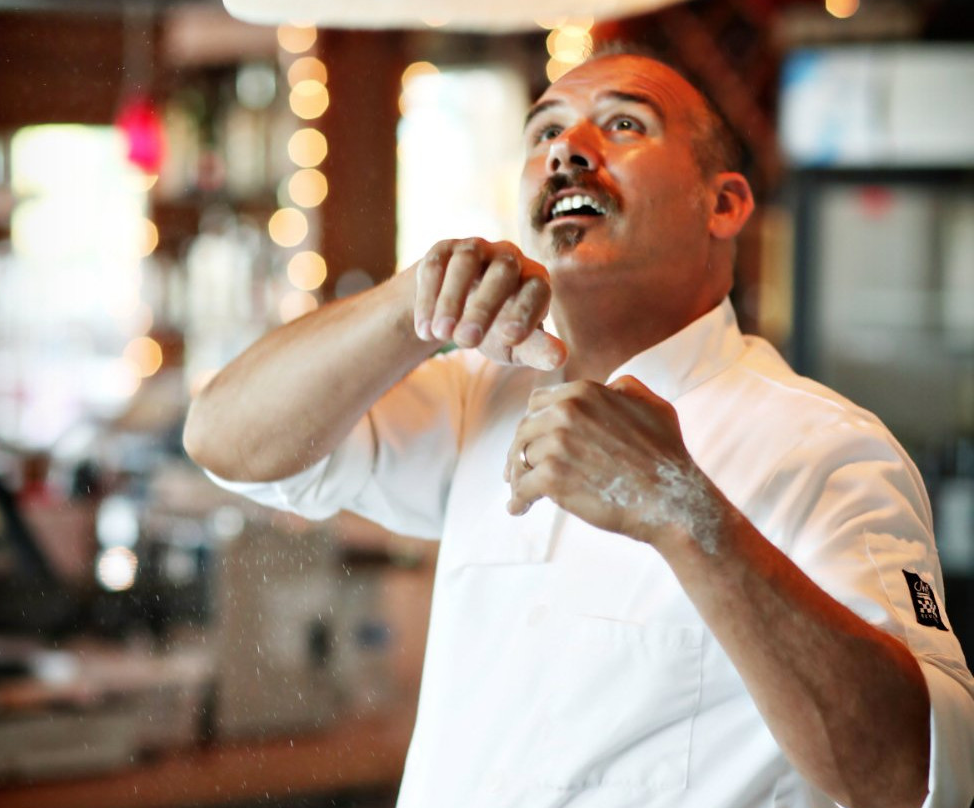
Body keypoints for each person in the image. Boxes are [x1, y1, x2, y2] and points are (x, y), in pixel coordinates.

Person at [183, 52, 974, 808]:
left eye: (625, 124)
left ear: (724, 204)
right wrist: (409, 304)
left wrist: (684, 514)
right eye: (545, 131)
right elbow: (223, 439)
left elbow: (912, 777)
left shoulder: (827, 448)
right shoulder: (475, 400)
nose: (567, 150)